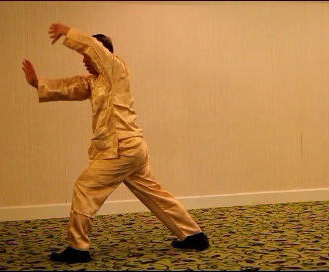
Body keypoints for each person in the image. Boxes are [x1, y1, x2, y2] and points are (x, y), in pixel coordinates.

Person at [21, 23, 210, 263]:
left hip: (123, 147)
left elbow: (93, 47)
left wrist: (67, 31)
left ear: (102, 54)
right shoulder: (95, 81)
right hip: (127, 150)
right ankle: (192, 234)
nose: (84, 61)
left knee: (85, 187)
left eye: (88, 57)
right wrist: (37, 83)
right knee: (154, 193)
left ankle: (78, 247)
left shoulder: (115, 68)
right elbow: (69, 87)